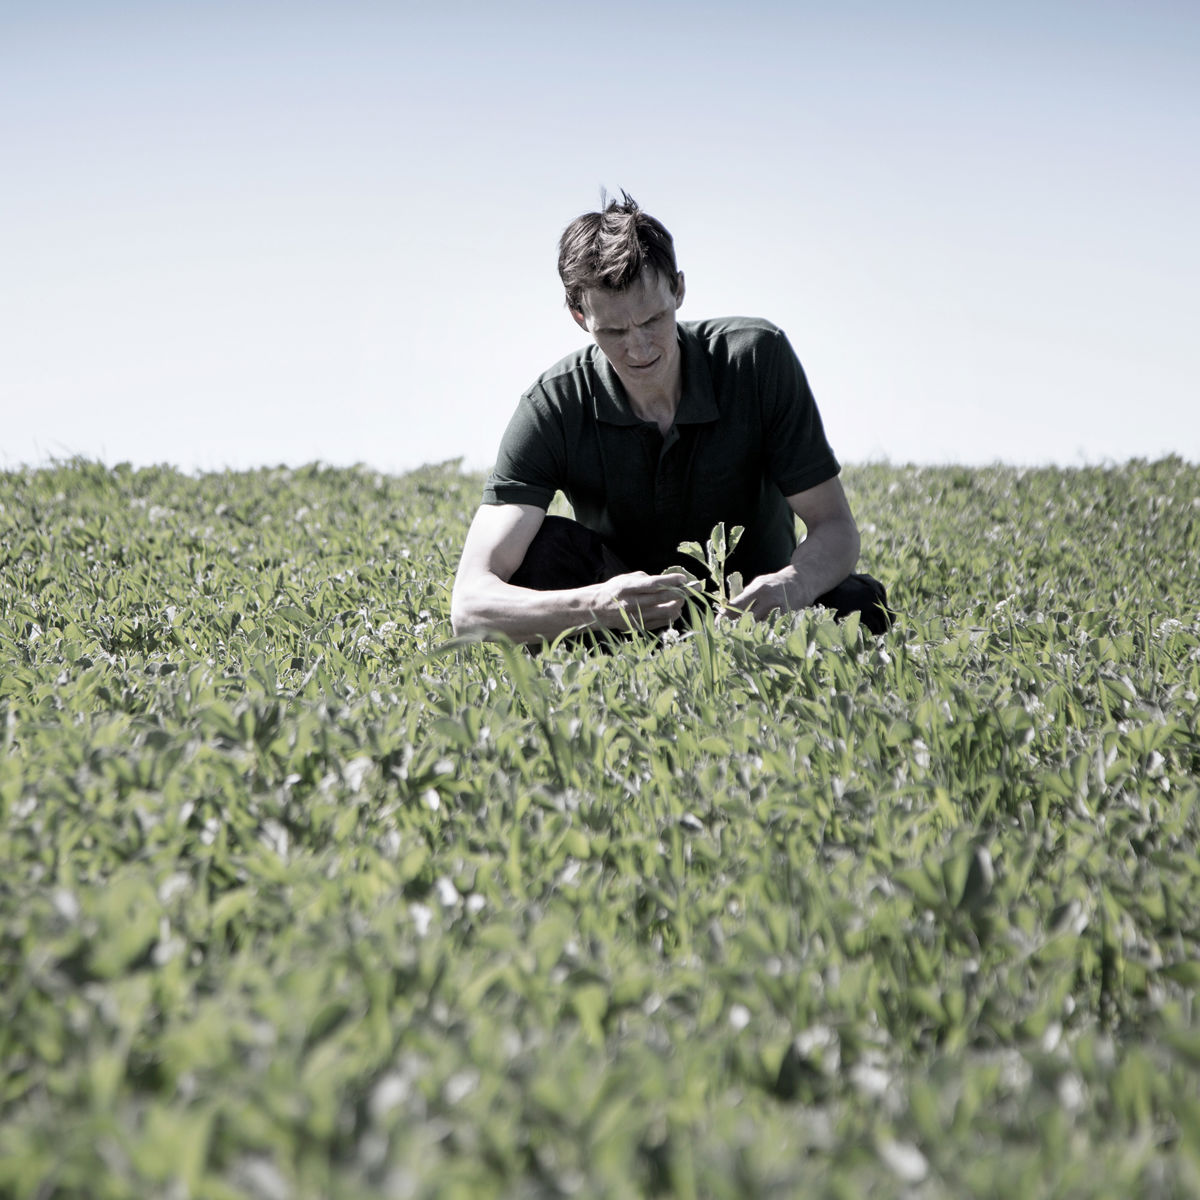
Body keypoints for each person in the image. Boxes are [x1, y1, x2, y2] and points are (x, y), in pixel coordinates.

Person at [451, 192, 890, 644]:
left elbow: (834, 527)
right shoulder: (553, 404)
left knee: (858, 604)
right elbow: (470, 605)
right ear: (580, 316)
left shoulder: (756, 358)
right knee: (541, 553)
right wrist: (597, 605)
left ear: (679, 288)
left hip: (759, 620)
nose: (639, 349)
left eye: (654, 319)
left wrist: (791, 585)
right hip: (623, 625)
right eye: (614, 331)